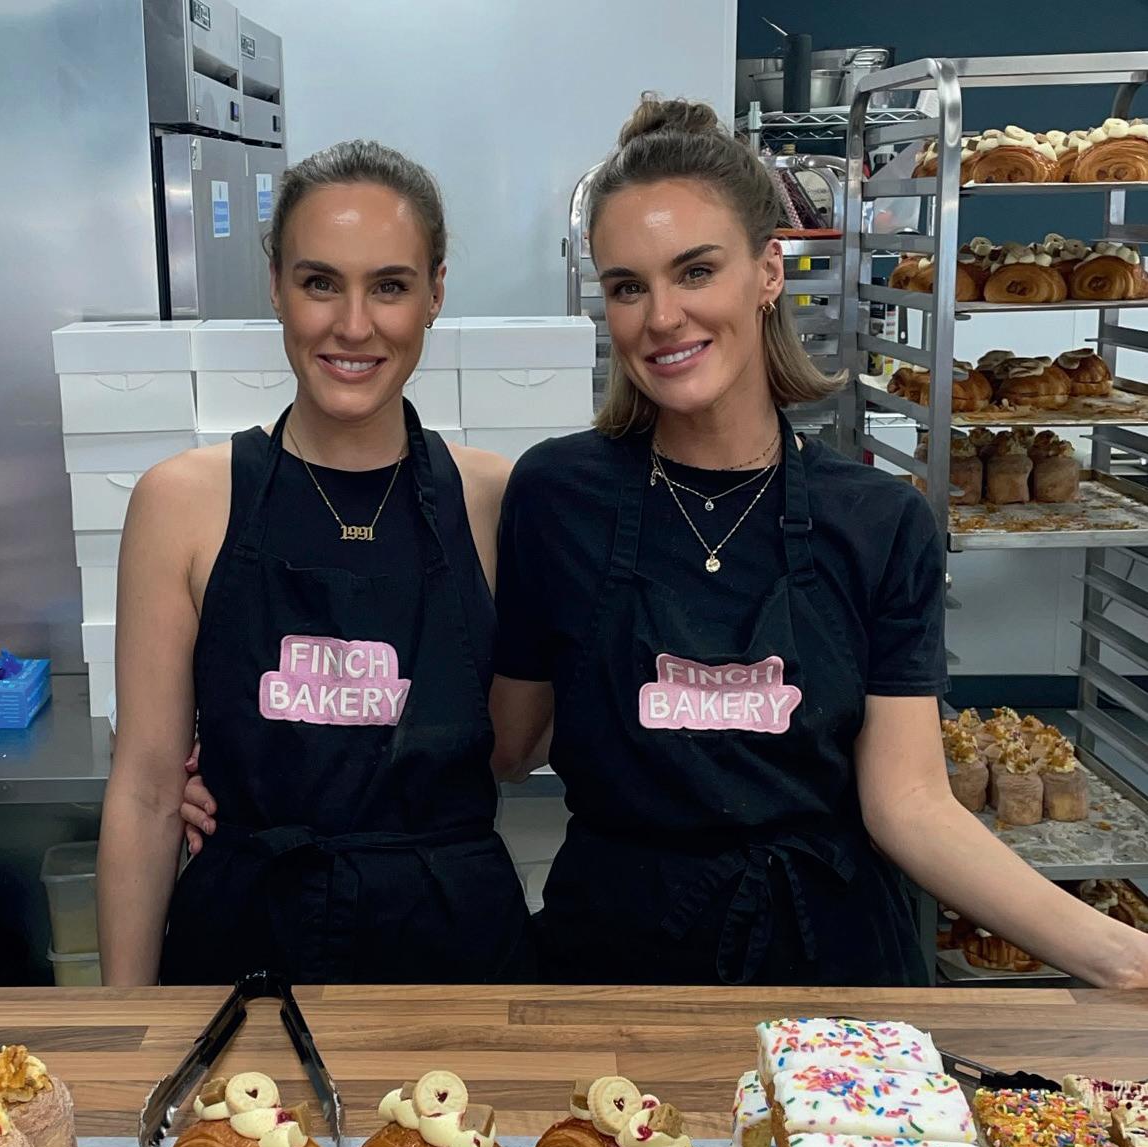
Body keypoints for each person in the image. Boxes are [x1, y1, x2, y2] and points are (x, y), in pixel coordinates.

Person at [482, 96, 1148, 987]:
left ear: (768, 272)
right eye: (628, 286)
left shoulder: (876, 520)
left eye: (696, 271)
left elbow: (910, 804)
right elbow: (509, 746)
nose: (662, 316)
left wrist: (1124, 959)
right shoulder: (557, 497)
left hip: (829, 958)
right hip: (618, 955)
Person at [97, 139, 534, 986]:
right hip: (241, 949)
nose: (354, 325)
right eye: (320, 283)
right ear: (276, 286)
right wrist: (129, 1028)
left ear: (436, 293)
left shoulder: (498, 500)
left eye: (390, 286)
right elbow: (147, 793)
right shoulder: (181, 503)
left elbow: (521, 745)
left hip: (456, 958)